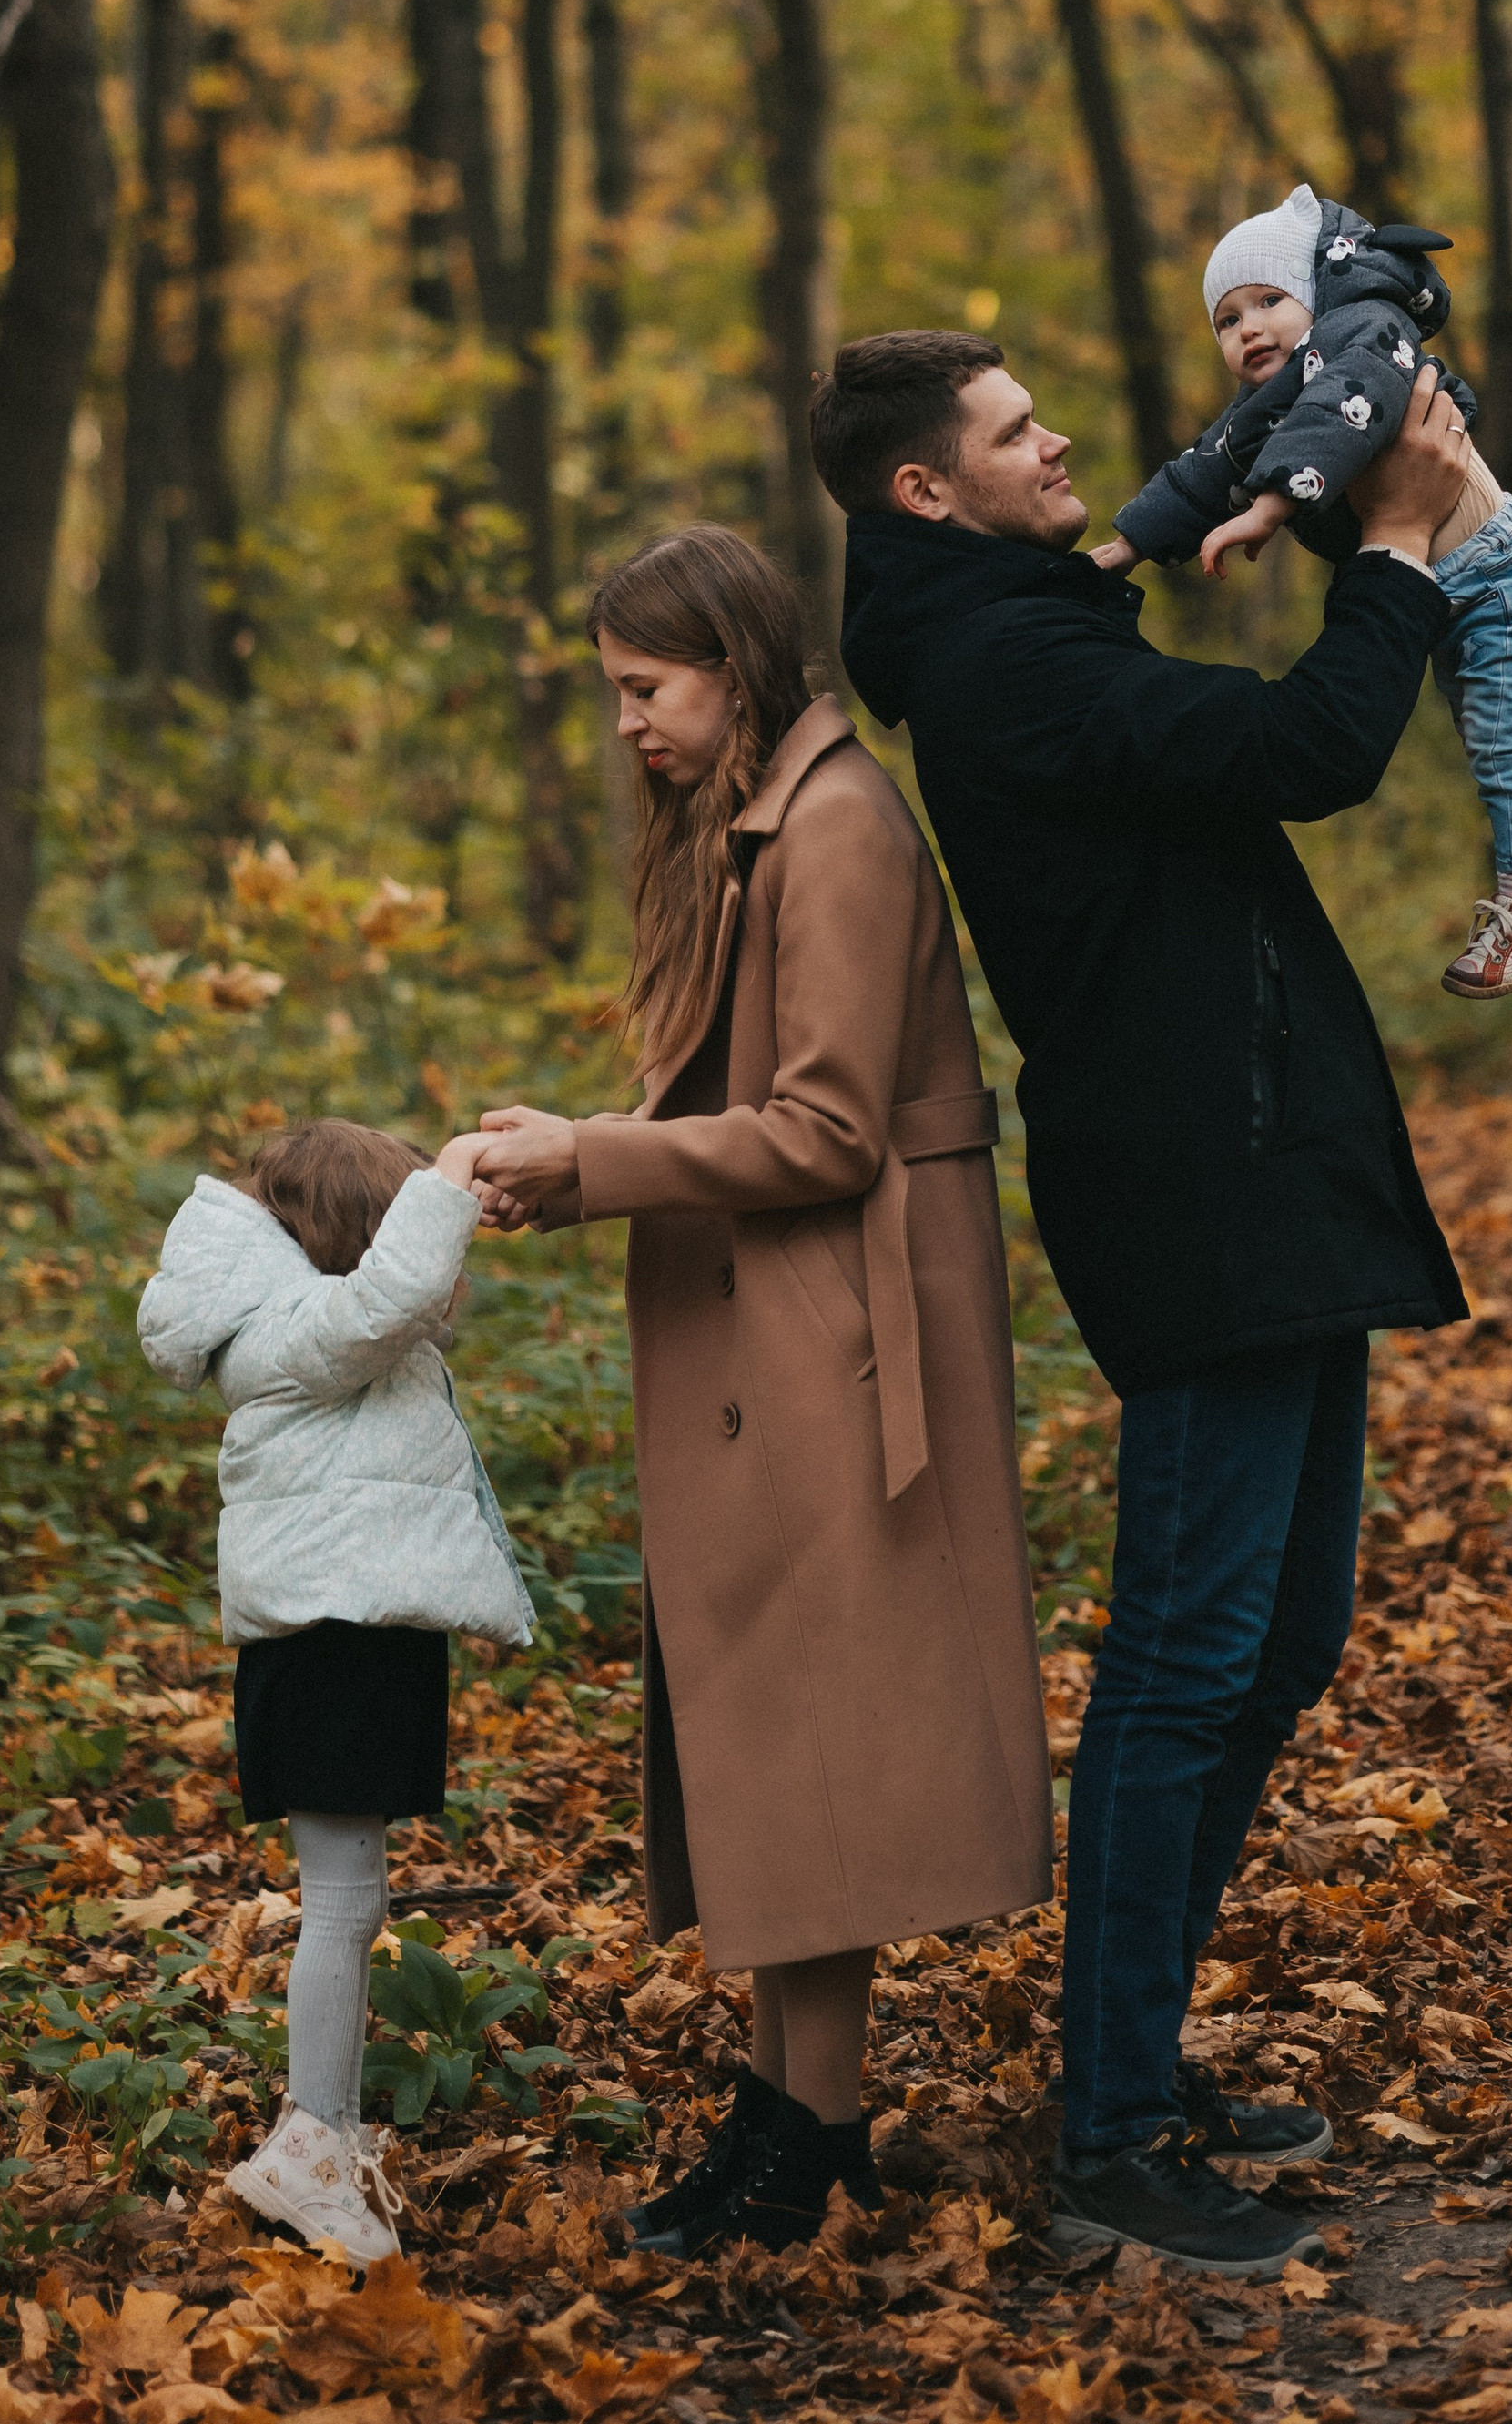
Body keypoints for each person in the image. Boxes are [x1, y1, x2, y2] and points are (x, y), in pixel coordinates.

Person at [810, 329, 1472, 2277]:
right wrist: (1402, 546)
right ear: (926, 489)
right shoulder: (1006, 666)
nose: (1060, 441)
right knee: (1187, 1669)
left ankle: (1143, 2067)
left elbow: (1142, 550)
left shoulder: (1023, 619)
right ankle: (1108, 2131)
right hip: (1202, 1197)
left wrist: (1270, 462)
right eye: (1018, 432)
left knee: (1278, 1647)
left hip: (1262, 1174)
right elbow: (1303, 750)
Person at [471, 525, 1051, 2259]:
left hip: (844, 1328)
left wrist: (592, 1161)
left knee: (826, 1732)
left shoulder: (840, 825)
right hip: (778, 1321)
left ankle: (811, 2128)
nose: (630, 726)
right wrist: (579, 1149)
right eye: (616, 697)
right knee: (786, 1738)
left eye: (646, 691)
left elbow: (827, 1130)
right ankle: (798, 2113)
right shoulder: (757, 823)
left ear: (732, 663)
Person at [137, 1116, 533, 2260]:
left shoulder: (319, 1335)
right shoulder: (300, 1332)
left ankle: (329, 2130)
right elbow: (387, 1301)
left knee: (353, 1901)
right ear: (368, 1236)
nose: (451, 1268)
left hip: (354, 1627)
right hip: (331, 1639)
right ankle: (309, 2144)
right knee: (344, 1902)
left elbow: (400, 1300)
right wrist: (452, 1174)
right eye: (430, 1233)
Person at [1094, 186, 1512, 1001]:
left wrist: (1270, 508)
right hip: (1465, 590)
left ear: (1313, 296)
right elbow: (1212, 459)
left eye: (1269, 301)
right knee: (1500, 736)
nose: (1248, 327)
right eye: (1227, 318)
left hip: (1503, 576)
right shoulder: (1276, 395)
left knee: (1500, 744)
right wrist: (1130, 542)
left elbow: (1342, 413)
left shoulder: (1365, 337)